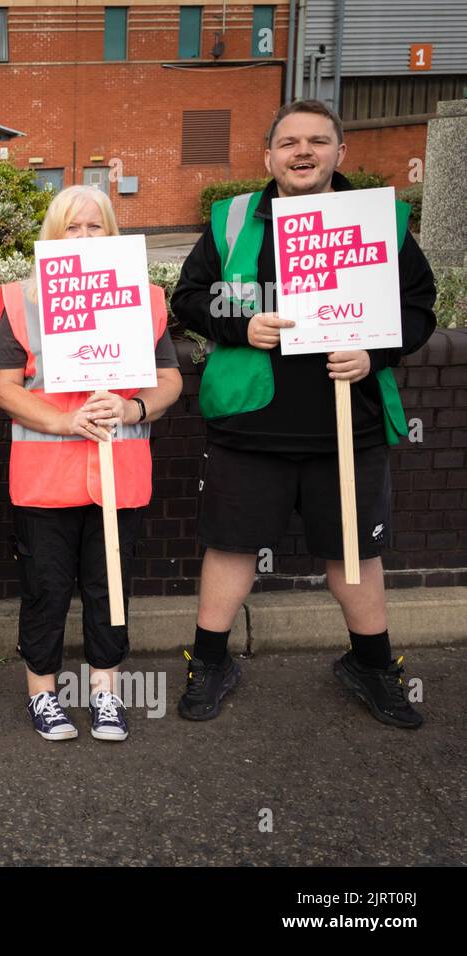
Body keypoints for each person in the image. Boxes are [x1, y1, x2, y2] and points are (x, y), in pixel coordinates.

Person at [171, 100, 437, 728]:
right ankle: (209, 661)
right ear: (269, 156)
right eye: (289, 141)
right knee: (231, 549)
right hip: (249, 425)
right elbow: (187, 298)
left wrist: (375, 354)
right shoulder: (233, 220)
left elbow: (420, 308)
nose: (302, 151)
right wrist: (240, 324)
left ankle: (371, 665)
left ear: (340, 153)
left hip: (351, 423)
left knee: (354, 554)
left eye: (318, 140)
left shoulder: (382, 222)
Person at [0, 185, 183, 742]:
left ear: (112, 232)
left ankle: (105, 693)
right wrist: (63, 422)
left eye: (94, 226)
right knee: (46, 589)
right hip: (44, 480)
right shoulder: (22, 301)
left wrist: (132, 406)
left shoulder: (145, 299)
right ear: (52, 236)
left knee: (109, 589)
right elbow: (5, 388)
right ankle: (43, 695)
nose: (82, 237)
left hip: (119, 476)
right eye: (70, 227)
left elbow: (169, 378)